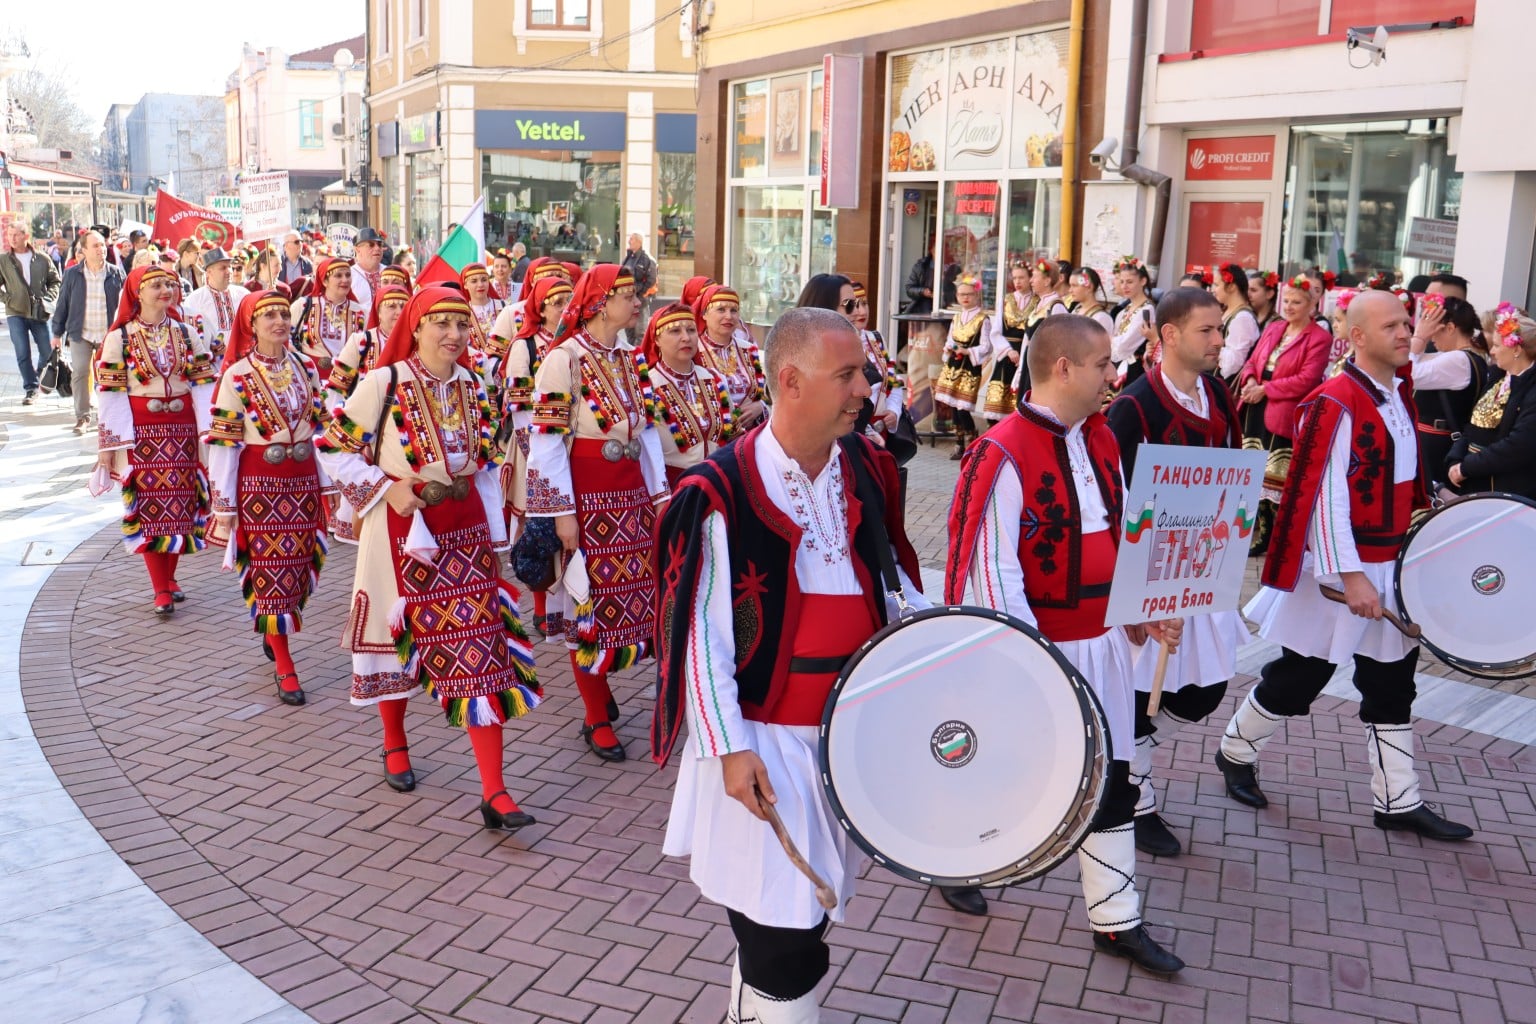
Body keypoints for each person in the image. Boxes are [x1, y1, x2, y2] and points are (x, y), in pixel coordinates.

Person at [654, 305, 926, 1023]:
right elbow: (699, 638)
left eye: (863, 371)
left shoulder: (866, 465)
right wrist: (730, 750)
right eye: (847, 374)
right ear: (789, 380)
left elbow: (894, 581)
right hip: (765, 740)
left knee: (804, 916)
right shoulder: (720, 490)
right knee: (787, 942)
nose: (864, 387)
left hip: (850, 736)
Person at [945, 314, 1185, 973]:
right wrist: (1034, 670)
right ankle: (955, 856)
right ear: (1063, 368)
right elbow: (992, 576)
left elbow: (1122, 536)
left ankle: (1116, 918)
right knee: (1008, 776)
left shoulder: (1103, 439)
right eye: (1106, 362)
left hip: (1103, 643)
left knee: (1112, 779)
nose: (1116, 374)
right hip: (1041, 654)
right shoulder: (1001, 452)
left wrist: (1143, 612)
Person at [1217, 290, 1474, 842]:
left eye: (1407, 324)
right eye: (1393, 327)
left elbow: (1401, 481)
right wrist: (1350, 575)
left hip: (1389, 561)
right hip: (1340, 569)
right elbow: (1324, 494)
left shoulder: (1397, 392)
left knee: (1392, 682)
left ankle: (1397, 800)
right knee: (1300, 678)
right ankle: (1235, 752)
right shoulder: (1334, 401)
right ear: (1357, 337)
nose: (1407, 334)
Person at [316, 286, 542, 829]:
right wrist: (382, 487)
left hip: (463, 535)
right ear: (415, 328)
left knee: (482, 650)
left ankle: (495, 791)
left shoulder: (474, 384)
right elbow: (333, 447)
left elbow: (485, 467)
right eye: (441, 323)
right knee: (396, 643)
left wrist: (495, 539)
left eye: (462, 324)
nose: (454, 335)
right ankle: (395, 742)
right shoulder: (382, 382)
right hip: (401, 528)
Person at [1106, 288, 1249, 858]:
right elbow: (1116, 501)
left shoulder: (1216, 392)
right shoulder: (1133, 407)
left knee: (1201, 692)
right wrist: (1136, 594)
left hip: (1203, 563)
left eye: (1220, 330)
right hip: (1152, 571)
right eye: (1207, 331)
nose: (1220, 340)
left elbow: (1232, 465)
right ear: (1167, 335)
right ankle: (1133, 797)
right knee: (1144, 689)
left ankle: (1125, 762)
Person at [526, 264, 667, 762]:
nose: (636, 304)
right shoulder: (564, 359)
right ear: (602, 301)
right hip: (585, 497)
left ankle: (600, 685)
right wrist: (561, 513)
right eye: (627, 295)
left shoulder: (630, 358)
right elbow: (544, 442)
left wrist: (659, 496)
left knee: (630, 597)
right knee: (587, 601)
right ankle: (594, 714)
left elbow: (646, 431)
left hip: (629, 498)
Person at [206, 292, 333, 705]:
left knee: (296, 571)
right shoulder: (236, 376)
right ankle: (285, 663)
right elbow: (225, 445)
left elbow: (322, 425)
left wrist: (332, 483)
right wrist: (224, 507)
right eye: (269, 316)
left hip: (302, 483)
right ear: (251, 325)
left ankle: (272, 628)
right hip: (260, 485)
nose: (279, 321)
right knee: (272, 572)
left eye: (284, 313)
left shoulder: (306, 366)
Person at [94, 265, 217, 615]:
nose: (166, 290)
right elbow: (111, 394)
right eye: (157, 285)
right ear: (138, 293)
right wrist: (111, 444)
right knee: (149, 507)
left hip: (181, 429)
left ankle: (171, 577)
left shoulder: (184, 331)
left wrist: (210, 429)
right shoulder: (120, 337)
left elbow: (203, 382)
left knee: (180, 505)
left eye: (170, 284)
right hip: (142, 431)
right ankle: (160, 587)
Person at [1237, 276, 1332, 555]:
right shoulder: (1274, 328)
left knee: (1278, 477)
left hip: (1283, 411)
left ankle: (1282, 538)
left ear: (1313, 304)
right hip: (1256, 405)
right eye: (1287, 301)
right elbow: (1253, 360)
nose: (1289, 307)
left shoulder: (1319, 337)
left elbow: (1307, 379)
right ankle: (1262, 532)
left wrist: (1266, 389)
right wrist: (1251, 381)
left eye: (1297, 302)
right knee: (1255, 472)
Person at [1446, 303, 1536, 498]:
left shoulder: (1531, 388)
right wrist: (1455, 459)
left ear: (1516, 349)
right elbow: (1471, 426)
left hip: (1507, 488)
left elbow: (1519, 445)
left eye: (1496, 345)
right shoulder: (1498, 378)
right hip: (1476, 477)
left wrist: (1466, 467)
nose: (1492, 352)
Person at [642, 303, 735, 488]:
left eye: (691, 330)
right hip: (673, 488)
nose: (686, 338)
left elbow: (732, 431)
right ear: (657, 340)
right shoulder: (647, 387)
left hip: (718, 484)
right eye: (675, 331)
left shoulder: (714, 379)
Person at [1408, 296, 1491, 489]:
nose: (1432, 336)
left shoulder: (1459, 360)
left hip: (1438, 446)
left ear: (1451, 328)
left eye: (1434, 328)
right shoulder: (1460, 357)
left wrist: (1420, 337)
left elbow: (1407, 374)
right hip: (1438, 443)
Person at [50, 230, 124, 434]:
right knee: (80, 372)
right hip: (80, 333)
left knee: (109, 375)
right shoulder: (73, 274)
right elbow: (63, 304)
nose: (101, 249)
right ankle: (82, 416)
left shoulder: (115, 273)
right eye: (95, 246)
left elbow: (126, 304)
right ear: (83, 250)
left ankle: (109, 416)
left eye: (102, 245)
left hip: (107, 334)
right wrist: (56, 333)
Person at [932, 273, 996, 458]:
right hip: (953, 364)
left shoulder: (983, 320)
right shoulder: (957, 317)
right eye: (961, 295)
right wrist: (948, 348)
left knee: (963, 407)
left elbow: (987, 346)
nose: (965, 298)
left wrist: (968, 351)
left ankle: (972, 440)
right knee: (953, 406)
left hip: (969, 366)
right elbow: (951, 338)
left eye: (969, 294)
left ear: (977, 296)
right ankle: (959, 443)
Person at [1, 223, 63, 405]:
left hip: (38, 311)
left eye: (16, 234)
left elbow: (55, 281)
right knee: (22, 352)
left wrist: (48, 298)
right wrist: (8, 299)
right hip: (15, 312)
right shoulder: (3, 260)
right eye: (10, 234)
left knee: (47, 351)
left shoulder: (42, 258)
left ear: (26, 235)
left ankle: (37, 373)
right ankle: (30, 388)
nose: (12, 238)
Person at [694, 284, 768, 432]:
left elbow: (763, 394)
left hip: (751, 435)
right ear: (704, 314)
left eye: (733, 310)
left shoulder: (749, 349)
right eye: (721, 309)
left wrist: (760, 407)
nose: (729, 316)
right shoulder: (693, 351)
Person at [848, 281, 905, 444]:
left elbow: (893, 381)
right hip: (853, 430)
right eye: (854, 305)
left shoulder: (875, 339)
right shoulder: (839, 344)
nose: (861, 311)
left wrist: (893, 412)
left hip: (880, 431)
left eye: (864, 304)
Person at [291, 258, 366, 379]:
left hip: (346, 380)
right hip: (311, 377)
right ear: (325, 281)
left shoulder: (361, 312)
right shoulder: (304, 305)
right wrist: (300, 361)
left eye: (348, 275)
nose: (345, 280)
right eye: (338, 276)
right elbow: (286, 338)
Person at [1009, 260, 1071, 400]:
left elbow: (1062, 342)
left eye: (1035, 277)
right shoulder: (1039, 305)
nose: (1031, 281)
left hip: (1043, 366)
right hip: (1030, 363)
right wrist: (1020, 370)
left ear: (1047, 281)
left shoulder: (1056, 306)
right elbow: (1027, 338)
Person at [983, 263, 1036, 423]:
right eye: (1015, 278)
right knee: (996, 408)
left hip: (1027, 352)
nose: (1017, 281)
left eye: (1021, 277)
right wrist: (1008, 351)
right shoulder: (1006, 300)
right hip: (1007, 353)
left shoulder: (1037, 300)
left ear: (1030, 278)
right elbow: (996, 331)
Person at [182, 248, 251, 365]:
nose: (229, 271)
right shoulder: (194, 300)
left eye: (229, 266)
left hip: (243, 358)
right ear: (209, 272)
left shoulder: (243, 294)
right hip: (213, 363)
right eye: (223, 268)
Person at [1110, 256, 1156, 389]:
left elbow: (1124, 345)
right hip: (1120, 366)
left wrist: (1110, 339)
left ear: (1143, 281)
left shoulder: (1147, 310)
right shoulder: (1123, 311)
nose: (1124, 286)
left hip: (1135, 370)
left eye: (1129, 282)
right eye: (1122, 281)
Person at [1212, 263, 1259, 384]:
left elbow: (1234, 363)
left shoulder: (1243, 318)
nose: (1213, 289)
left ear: (1232, 287)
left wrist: (1210, 349)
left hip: (1226, 384)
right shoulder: (1228, 311)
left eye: (1217, 285)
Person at [621, 233, 658, 325]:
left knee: (640, 331)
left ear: (639, 242)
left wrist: (640, 291)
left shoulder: (647, 259)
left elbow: (652, 279)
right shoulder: (628, 258)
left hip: (641, 299)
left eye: (632, 239)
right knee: (629, 329)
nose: (629, 241)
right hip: (628, 298)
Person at [350, 227, 386, 312]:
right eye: (371, 245)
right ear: (358, 249)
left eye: (379, 244)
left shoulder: (389, 272)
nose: (377, 248)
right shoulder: (349, 275)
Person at [1248, 270, 1280, 336]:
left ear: (1269, 294)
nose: (1248, 294)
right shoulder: (1248, 317)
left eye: (1253, 290)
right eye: (1247, 290)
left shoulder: (1278, 324)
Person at [904, 249, 935, 315]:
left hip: (945, 310)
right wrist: (923, 291)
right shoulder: (921, 266)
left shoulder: (952, 267)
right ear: (932, 251)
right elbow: (909, 289)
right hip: (922, 310)